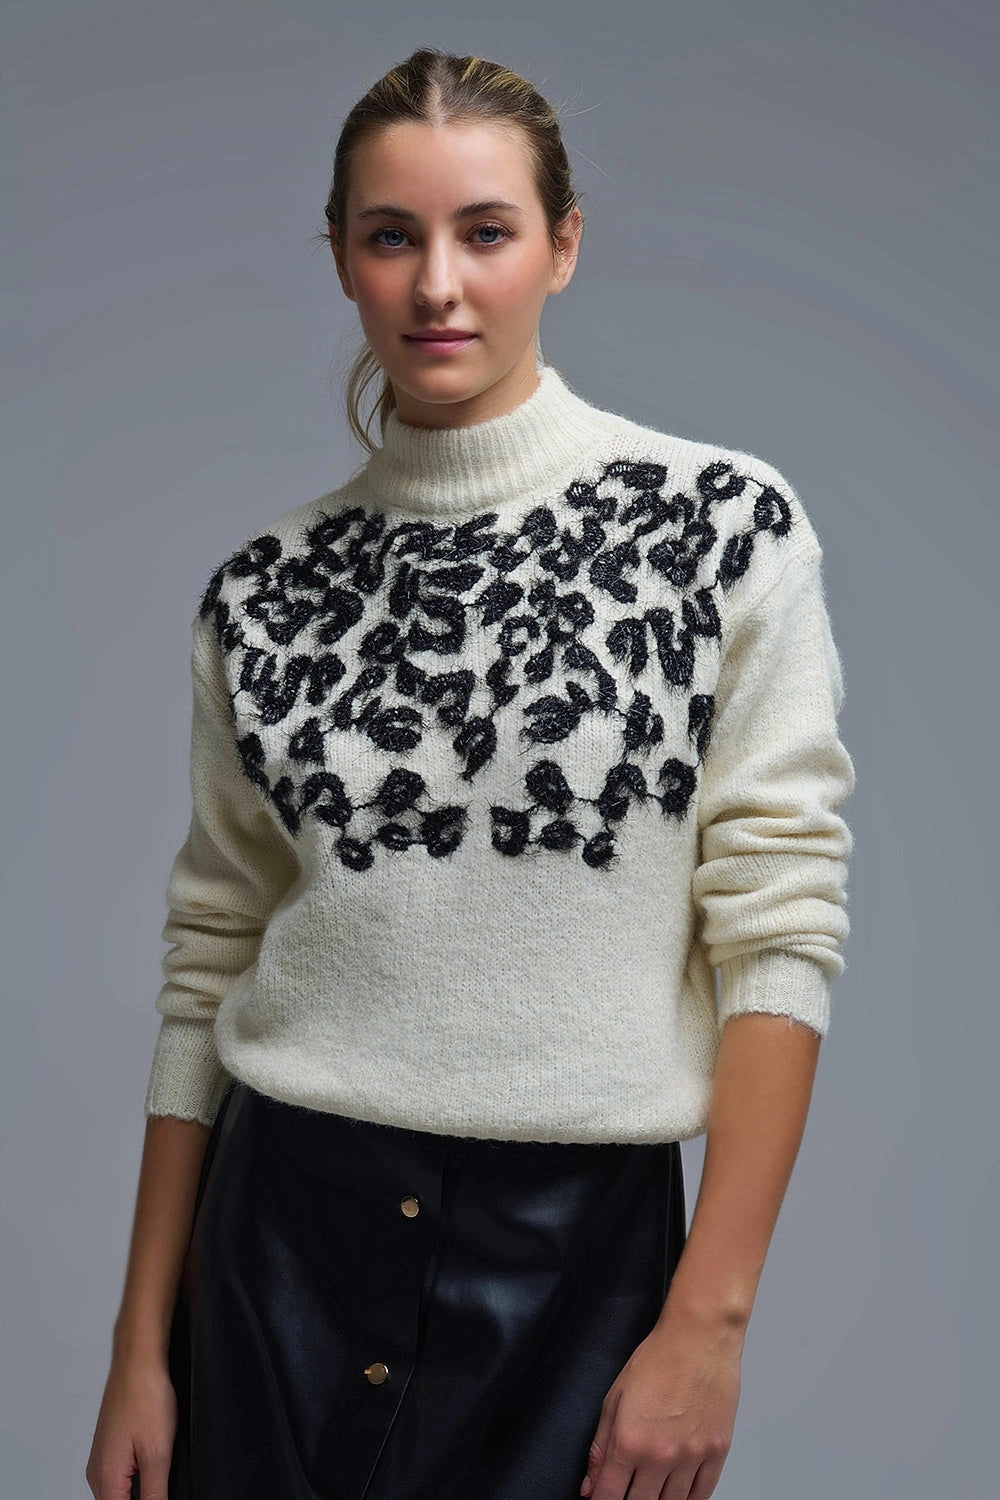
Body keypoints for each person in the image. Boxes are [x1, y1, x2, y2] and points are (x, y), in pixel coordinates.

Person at [86, 45, 855, 1500]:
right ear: (341, 258)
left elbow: (779, 925)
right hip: (275, 1253)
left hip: (578, 1261)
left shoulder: (717, 529)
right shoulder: (265, 593)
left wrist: (710, 1319)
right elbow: (209, 960)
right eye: (393, 237)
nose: (438, 285)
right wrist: (140, 1347)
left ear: (562, 246)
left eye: (485, 231)